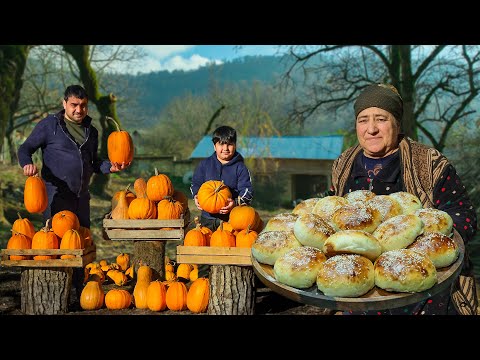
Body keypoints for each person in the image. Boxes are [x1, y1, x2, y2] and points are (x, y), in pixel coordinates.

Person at [329, 83, 478, 315]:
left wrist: (426, 245)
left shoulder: (430, 163)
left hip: (422, 288)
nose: (371, 129)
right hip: (359, 280)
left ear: (397, 124)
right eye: (363, 120)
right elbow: (332, 214)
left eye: (381, 119)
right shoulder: (343, 163)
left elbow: (464, 216)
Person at [17, 84, 130, 302]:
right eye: (74, 105)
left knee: (81, 248)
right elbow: (25, 148)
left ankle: (82, 295)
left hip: (82, 199)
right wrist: (27, 164)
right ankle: (53, 297)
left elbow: (94, 163)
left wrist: (110, 167)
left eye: (83, 105)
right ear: (64, 104)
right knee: (55, 249)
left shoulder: (92, 131)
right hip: (54, 198)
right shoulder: (49, 125)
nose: (79, 110)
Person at [190, 125, 254, 231]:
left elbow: (248, 190)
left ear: (235, 145)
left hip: (232, 219)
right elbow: (195, 183)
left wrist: (235, 203)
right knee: (206, 245)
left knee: (227, 245)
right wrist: (196, 196)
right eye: (221, 144)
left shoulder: (240, 168)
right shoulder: (204, 165)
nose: (225, 148)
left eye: (229, 144)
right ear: (214, 146)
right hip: (207, 219)